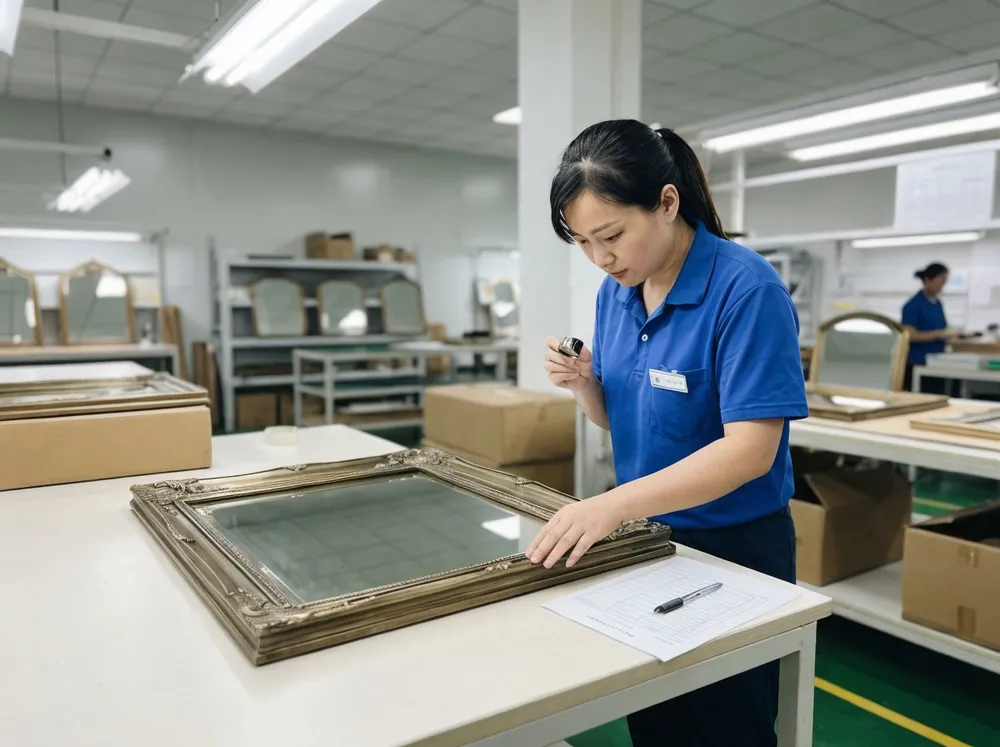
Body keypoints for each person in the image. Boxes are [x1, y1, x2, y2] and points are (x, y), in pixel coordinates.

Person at [525, 119, 808, 747]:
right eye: (582, 242)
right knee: (654, 716)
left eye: (611, 235)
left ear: (667, 202)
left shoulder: (746, 289)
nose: (601, 258)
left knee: (727, 727)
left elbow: (750, 451)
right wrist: (585, 385)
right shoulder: (616, 293)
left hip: (735, 547)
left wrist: (610, 505)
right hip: (650, 539)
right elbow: (620, 418)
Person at [902, 263, 958, 393]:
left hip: (936, 361)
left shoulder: (937, 304)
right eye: (941, 281)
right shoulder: (913, 305)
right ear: (928, 280)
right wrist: (938, 334)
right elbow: (910, 335)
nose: (943, 286)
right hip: (918, 361)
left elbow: (942, 326)